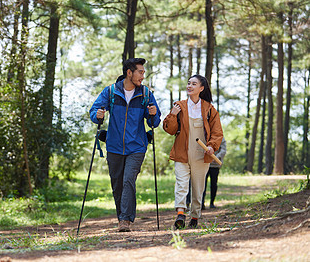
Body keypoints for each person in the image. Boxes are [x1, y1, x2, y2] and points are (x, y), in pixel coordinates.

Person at [89, 58, 161, 232]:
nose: (143, 76)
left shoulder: (145, 94)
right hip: (114, 146)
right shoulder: (111, 92)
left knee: (129, 179)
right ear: (129, 73)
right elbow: (94, 112)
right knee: (117, 184)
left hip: (137, 146)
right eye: (140, 72)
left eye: (144, 72)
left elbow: (155, 121)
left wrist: (153, 114)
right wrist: (98, 115)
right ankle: (122, 216)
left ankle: (125, 220)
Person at [163, 74, 223, 229]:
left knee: (198, 187)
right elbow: (170, 130)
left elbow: (217, 132)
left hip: (202, 154)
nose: (189, 86)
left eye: (193, 84)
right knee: (181, 184)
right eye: (188, 83)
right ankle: (180, 214)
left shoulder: (209, 109)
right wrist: (172, 115)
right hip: (182, 152)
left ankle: (195, 216)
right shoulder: (179, 106)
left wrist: (211, 146)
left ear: (201, 88)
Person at [202, 137, 226, 209]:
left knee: (213, 184)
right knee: (202, 184)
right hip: (204, 164)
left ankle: (212, 203)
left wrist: (216, 157)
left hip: (215, 165)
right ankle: (201, 203)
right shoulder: (205, 134)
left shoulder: (220, 137)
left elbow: (223, 150)